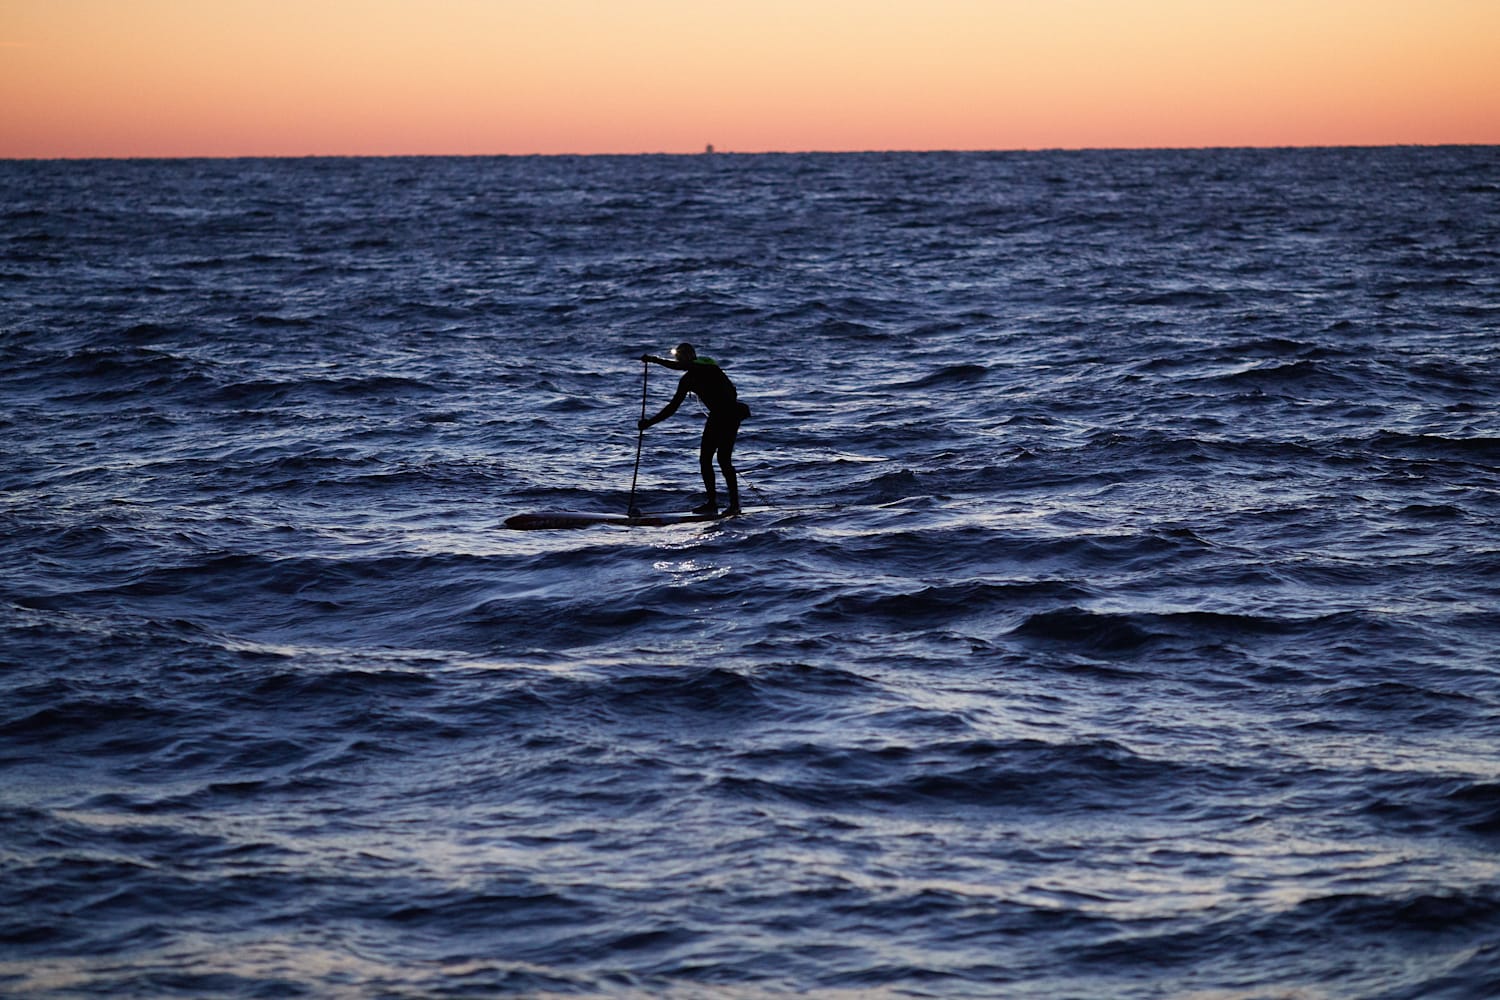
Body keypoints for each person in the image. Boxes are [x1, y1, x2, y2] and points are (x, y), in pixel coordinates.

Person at [639, 342, 749, 516]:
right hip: (716, 417)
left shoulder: (708, 365)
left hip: (730, 415)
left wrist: (654, 360)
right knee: (705, 460)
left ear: (692, 356)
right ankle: (712, 504)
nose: (681, 361)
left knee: (723, 460)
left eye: (683, 357)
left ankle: (734, 505)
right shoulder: (687, 380)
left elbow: (680, 366)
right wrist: (649, 423)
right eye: (679, 357)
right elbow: (672, 407)